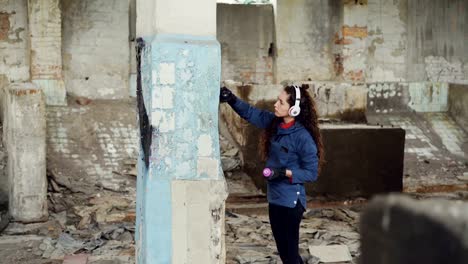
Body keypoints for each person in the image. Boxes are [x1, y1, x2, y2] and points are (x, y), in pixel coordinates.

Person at [220, 84, 324, 264]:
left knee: (290, 255)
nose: (275, 104)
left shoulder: (303, 138)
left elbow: (311, 173)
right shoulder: (275, 123)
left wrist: (285, 173)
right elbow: (251, 113)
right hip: (275, 199)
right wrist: (232, 99)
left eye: (281, 102)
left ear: (294, 109)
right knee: (284, 253)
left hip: (291, 203)